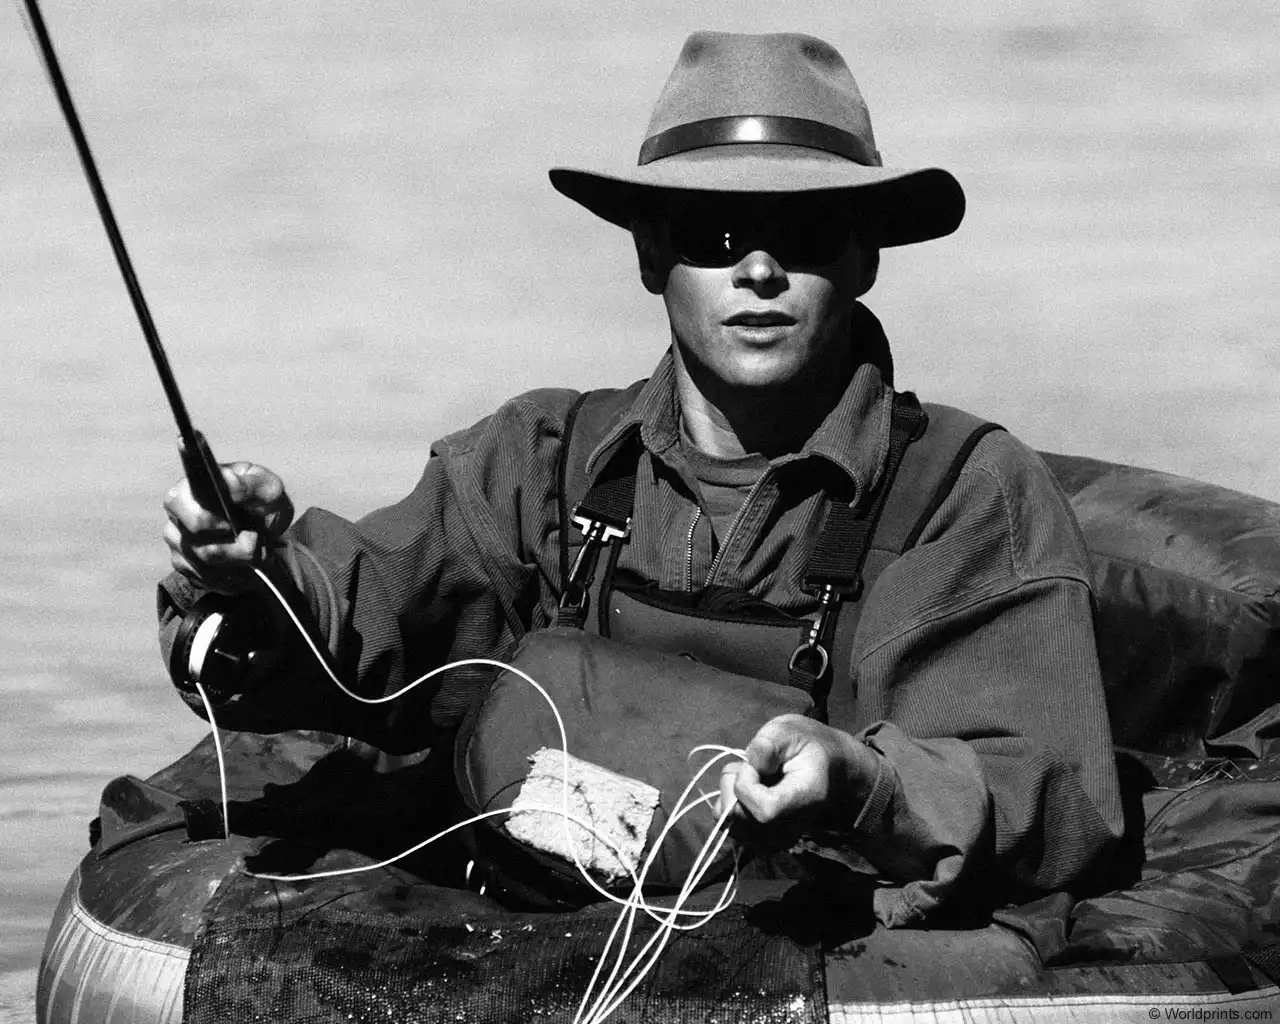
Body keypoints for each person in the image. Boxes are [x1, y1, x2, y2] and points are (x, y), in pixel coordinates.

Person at [159, 31, 1123, 927]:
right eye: (714, 231)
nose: (758, 270)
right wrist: (248, 575)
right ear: (650, 252)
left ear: (865, 254)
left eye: (805, 230)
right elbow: (356, 622)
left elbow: (1046, 792)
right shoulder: (540, 460)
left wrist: (859, 782)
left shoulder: (967, 495)